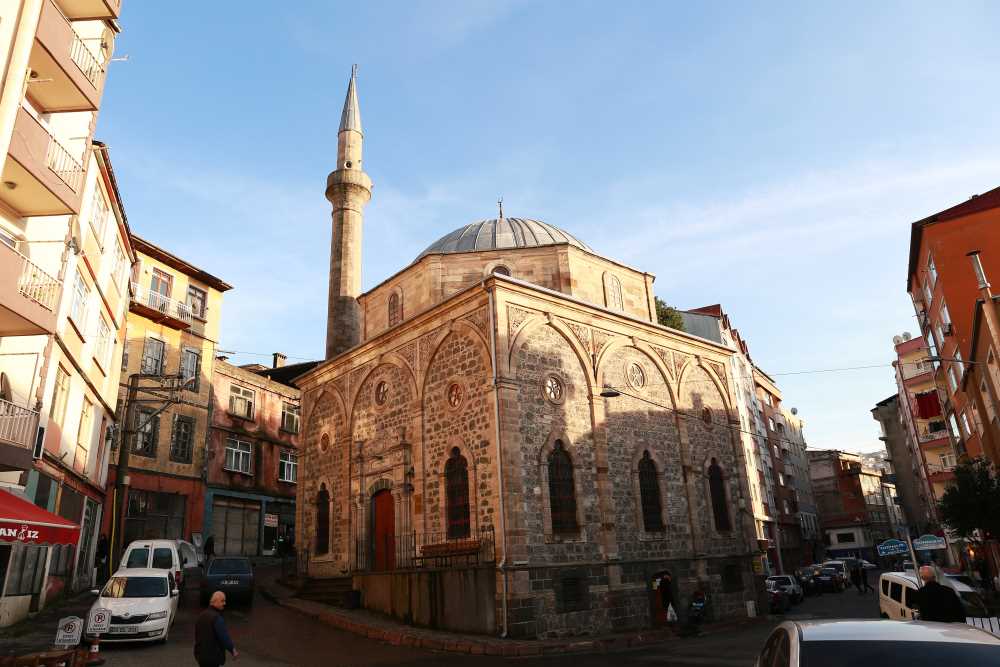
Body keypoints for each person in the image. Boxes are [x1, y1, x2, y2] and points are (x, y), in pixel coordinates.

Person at [195, 591, 238, 666]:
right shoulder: (217, 618)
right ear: (214, 602)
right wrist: (232, 650)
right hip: (213, 657)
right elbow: (224, 637)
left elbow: (197, 635)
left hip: (201, 656)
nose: (224, 603)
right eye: (222, 601)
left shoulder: (201, 616)